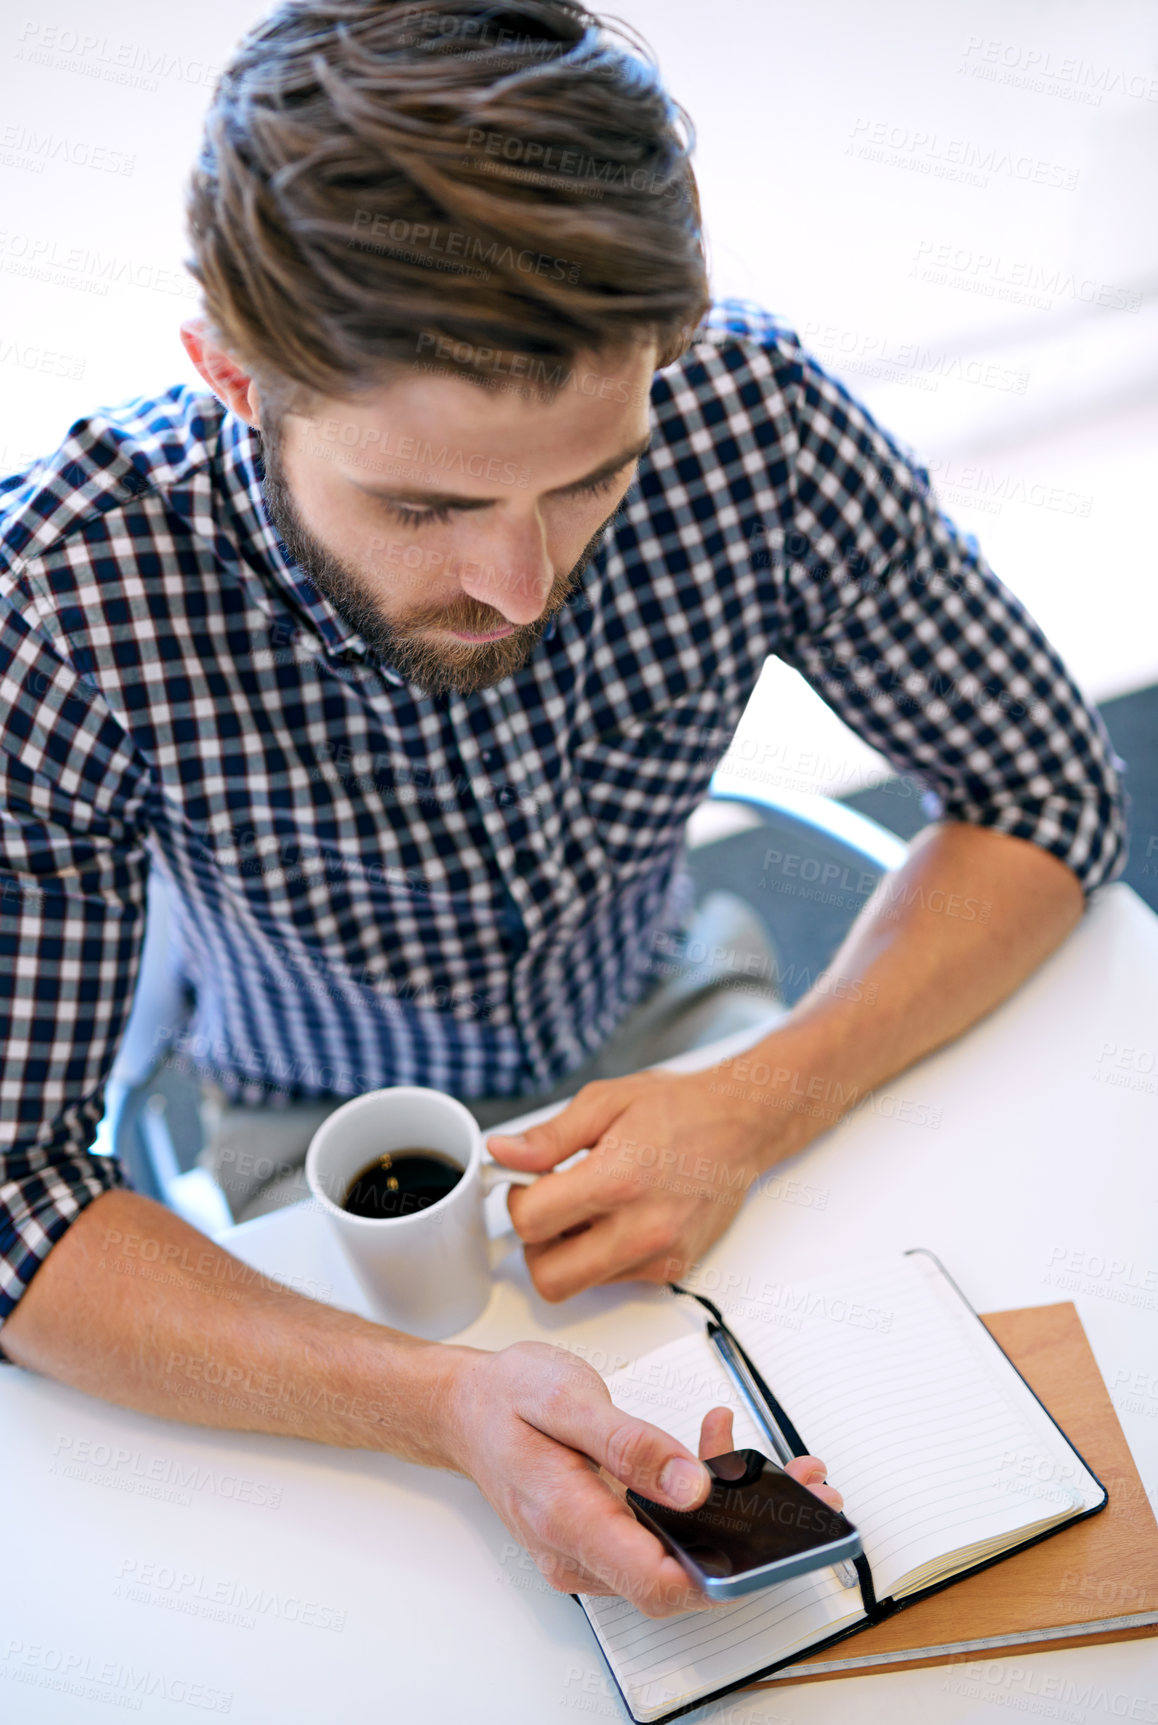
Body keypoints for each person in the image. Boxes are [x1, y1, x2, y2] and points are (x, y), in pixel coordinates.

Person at [0, 0, 1125, 1618]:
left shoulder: (754, 415)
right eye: (424, 504)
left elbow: (1044, 789)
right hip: (303, 1117)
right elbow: (14, 1193)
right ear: (231, 375)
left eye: (591, 474)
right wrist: (438, 1404)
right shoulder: (60, 599)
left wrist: (757, 1097)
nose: (519, 586)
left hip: (679, 1008)